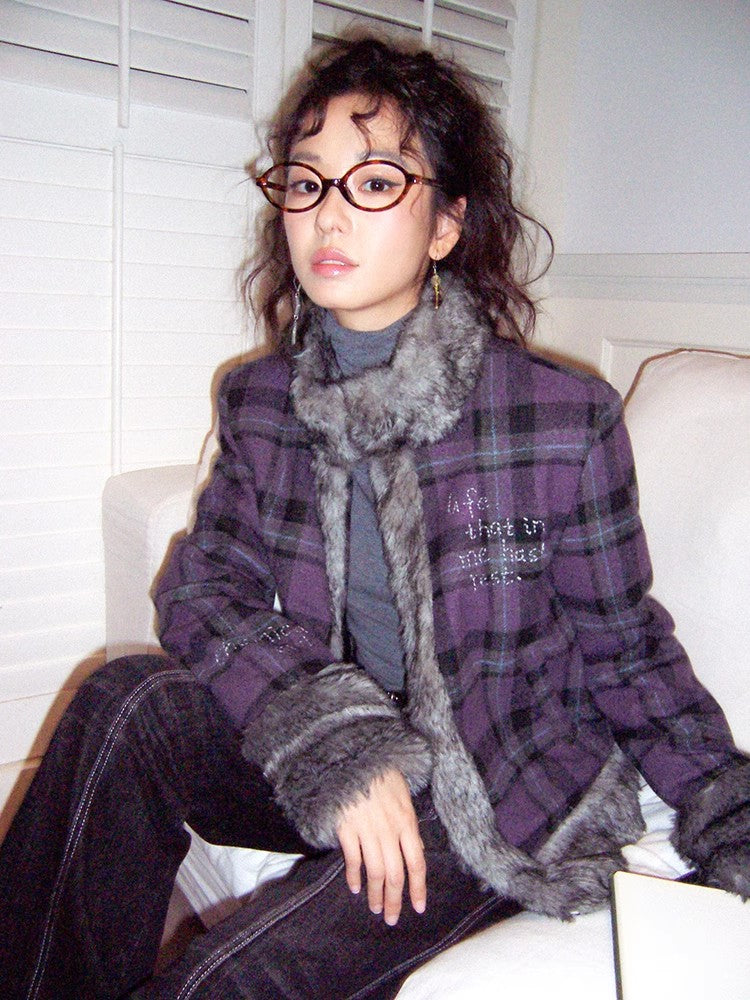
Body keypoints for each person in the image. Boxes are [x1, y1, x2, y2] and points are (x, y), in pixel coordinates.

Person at [1, 33, 749, 1000]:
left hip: (491, 780)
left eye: (376, 182)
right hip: (342, 739)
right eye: (307, 182)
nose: (328, 213)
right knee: (127, 701)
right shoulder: (262, 399)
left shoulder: (559, 418)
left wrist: (729, 810)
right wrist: (334, 740)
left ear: (446, 224)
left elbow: (626, 648)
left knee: (218, 984)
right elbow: (203, 586)